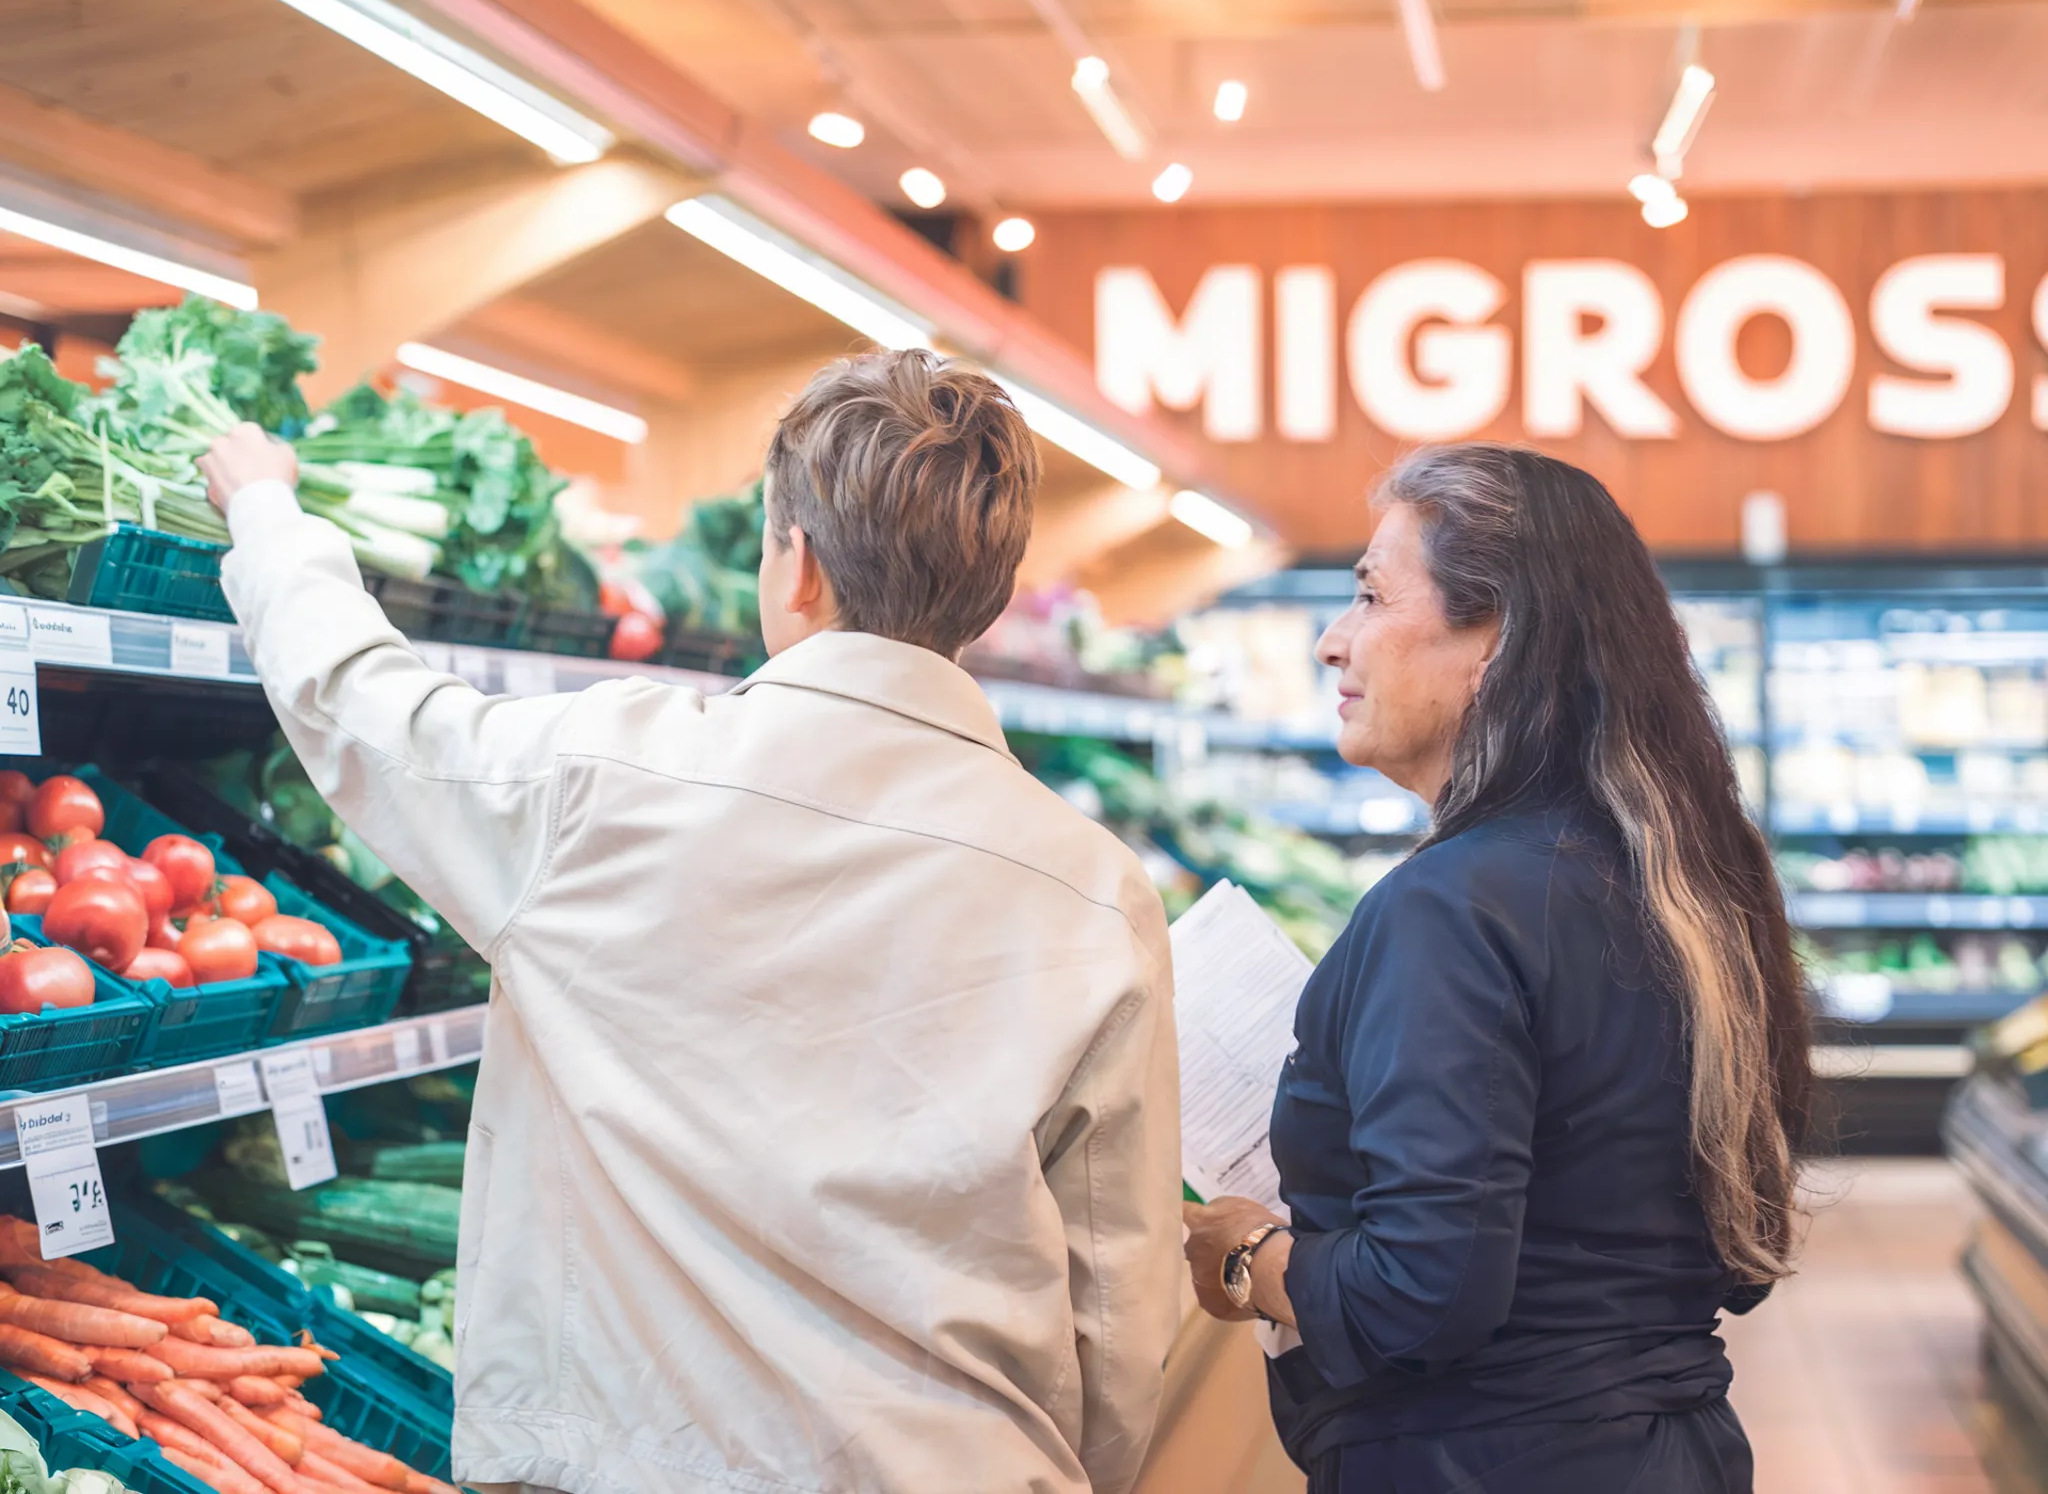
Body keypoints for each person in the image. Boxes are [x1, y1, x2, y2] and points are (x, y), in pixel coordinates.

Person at [200, 349, 1184, 1494]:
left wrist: (269, 514)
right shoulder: (1095, 892)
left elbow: (365, 709)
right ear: (990, 594)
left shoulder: (603, 778)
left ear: (796, 564)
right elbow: (1117, 1301)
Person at [1181, 444, 1812, 1493]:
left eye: (1370, 596)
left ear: (1497, 643)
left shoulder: (1447, 910)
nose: (1333, 643)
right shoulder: (1688, 881)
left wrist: (1246, 1256)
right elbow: (1737, 1248)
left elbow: (1418, 1296)